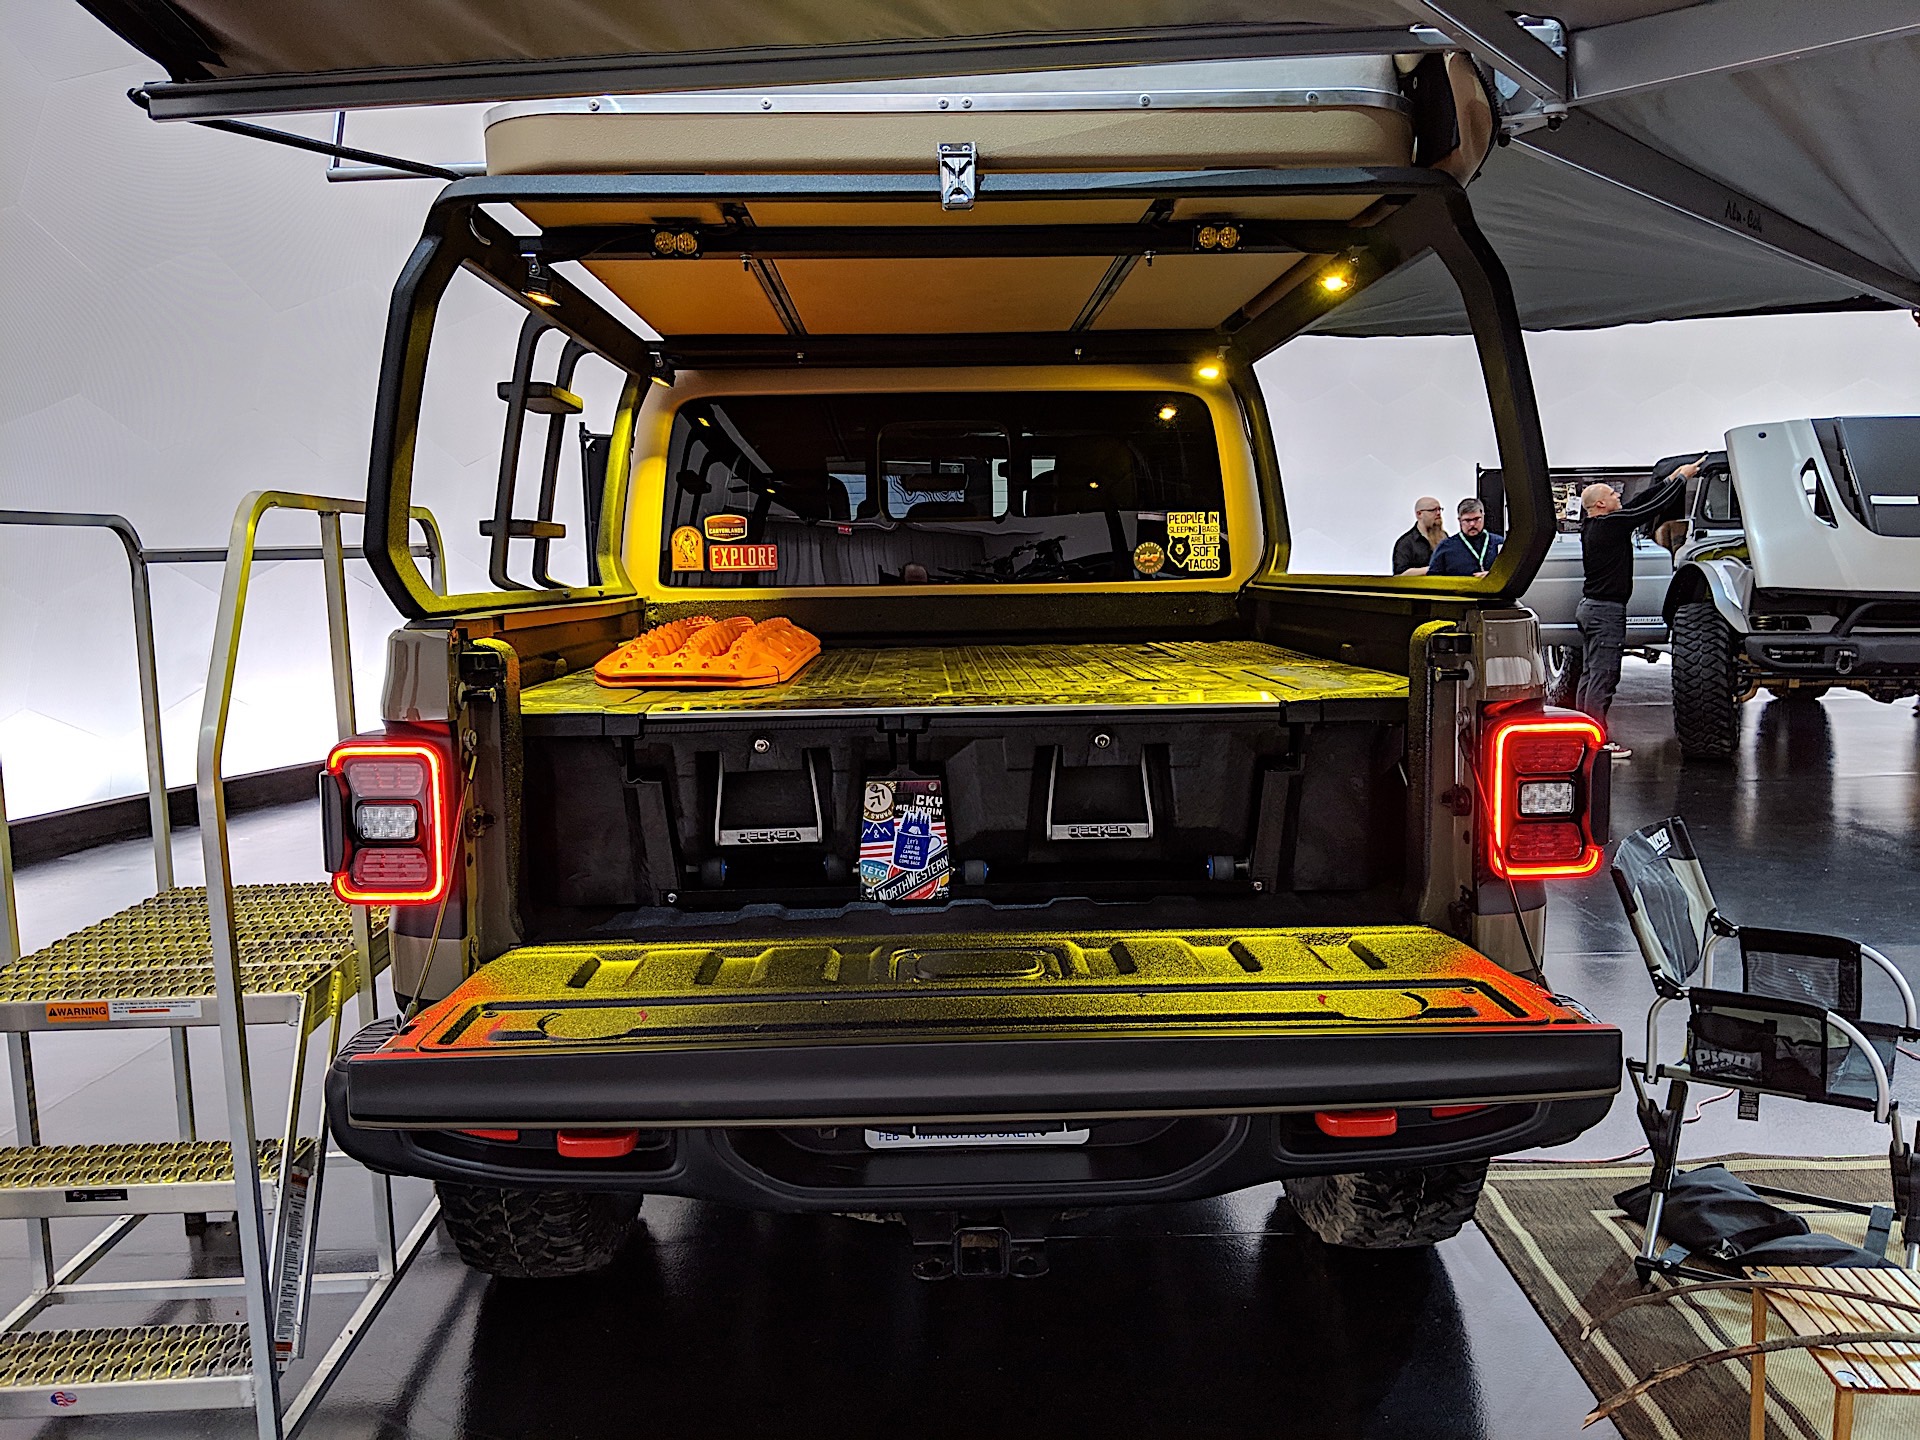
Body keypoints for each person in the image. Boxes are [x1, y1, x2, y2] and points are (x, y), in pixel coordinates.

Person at [1575, 458, 1695, 758]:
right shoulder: (1610, 525)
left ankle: (1582, 735)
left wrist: (1669, 480)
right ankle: (1596, 742)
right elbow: (1647, 510)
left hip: (1591, 609)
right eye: (1612, 494)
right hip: (1605, 612)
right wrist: (1682, 481)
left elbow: (1637, 504)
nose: (1618, 496)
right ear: (1601, 504)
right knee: (1603, 677)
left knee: (1590, 675)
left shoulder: (1595, 525)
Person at [1425, 498, 1502, 577]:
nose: (1472, 524)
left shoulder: (1499, 543)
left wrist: (1493, 576)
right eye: (1467, 520)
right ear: (1459, 520)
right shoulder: (1445, 547)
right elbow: (1433, 577)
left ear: (1483, 516)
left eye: (1476, 519)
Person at [1391, 496, 1448, 574]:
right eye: (1433, 510)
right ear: (1419, 514)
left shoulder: (1444, 537)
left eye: (1439, 509)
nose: (1438, 513)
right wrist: (1432, 569)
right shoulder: (1406, 542)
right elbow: (1400, 574)